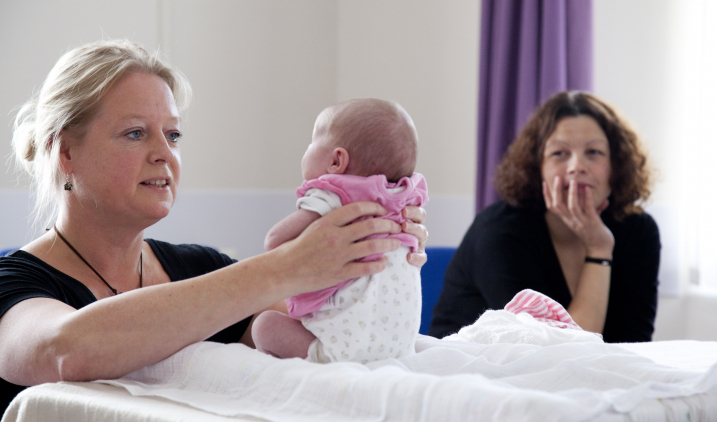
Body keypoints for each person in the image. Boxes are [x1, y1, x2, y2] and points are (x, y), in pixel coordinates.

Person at [0, 40, 428, 412]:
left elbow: (330, 349)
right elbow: (64, 351)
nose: (163, 153)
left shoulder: (204, 268)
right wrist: (287, 266)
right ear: (66, 152)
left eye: (172, 135)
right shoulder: (13, 282)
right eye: (135, 133)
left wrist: (374, 262)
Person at [429, 91, 660, 343]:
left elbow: (634, 344)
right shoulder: (499, 232)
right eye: (559, 153)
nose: (577, 166)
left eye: (593, 152)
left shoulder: (639, 230)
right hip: (470, 373)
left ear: (617, 166)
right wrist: (599, 249)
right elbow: (560, 352)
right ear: (537, 167)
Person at [252, 99, 428, 364]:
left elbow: (275, 243)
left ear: (336, 161)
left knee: (264, 325)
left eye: (311, 142)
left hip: (339, 352)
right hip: (399, 349)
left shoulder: (334, 195)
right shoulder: (407, 205)